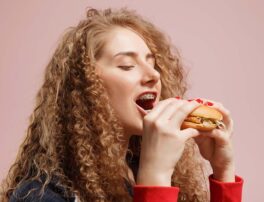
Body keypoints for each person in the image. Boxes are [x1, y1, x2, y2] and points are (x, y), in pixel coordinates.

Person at [0, 8, 243, 202]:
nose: (153, 75)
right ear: (86, 87)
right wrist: (155, 179)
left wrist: (223, 173)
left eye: (153, 64)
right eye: (127, 65)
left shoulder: (140, 173)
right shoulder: (43, 195)